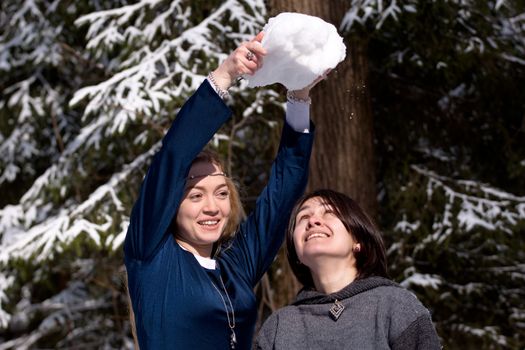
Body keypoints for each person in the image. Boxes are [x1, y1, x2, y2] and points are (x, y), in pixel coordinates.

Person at [124, 32, 326, 349]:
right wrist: (226, 74)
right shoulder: (151, 254)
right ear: (171, 206)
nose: (212, 207)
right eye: (195, 195)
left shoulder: (236, 267)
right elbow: (174, 155)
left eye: (221, 193)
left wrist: (299, 95)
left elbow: (284, 192)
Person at [256, 189, 442, 350]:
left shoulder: (395, 306)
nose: (313, 220)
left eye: (328, 212)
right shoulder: (278, 327)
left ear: (358, 241)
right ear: (296, 251)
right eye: (303, 217)